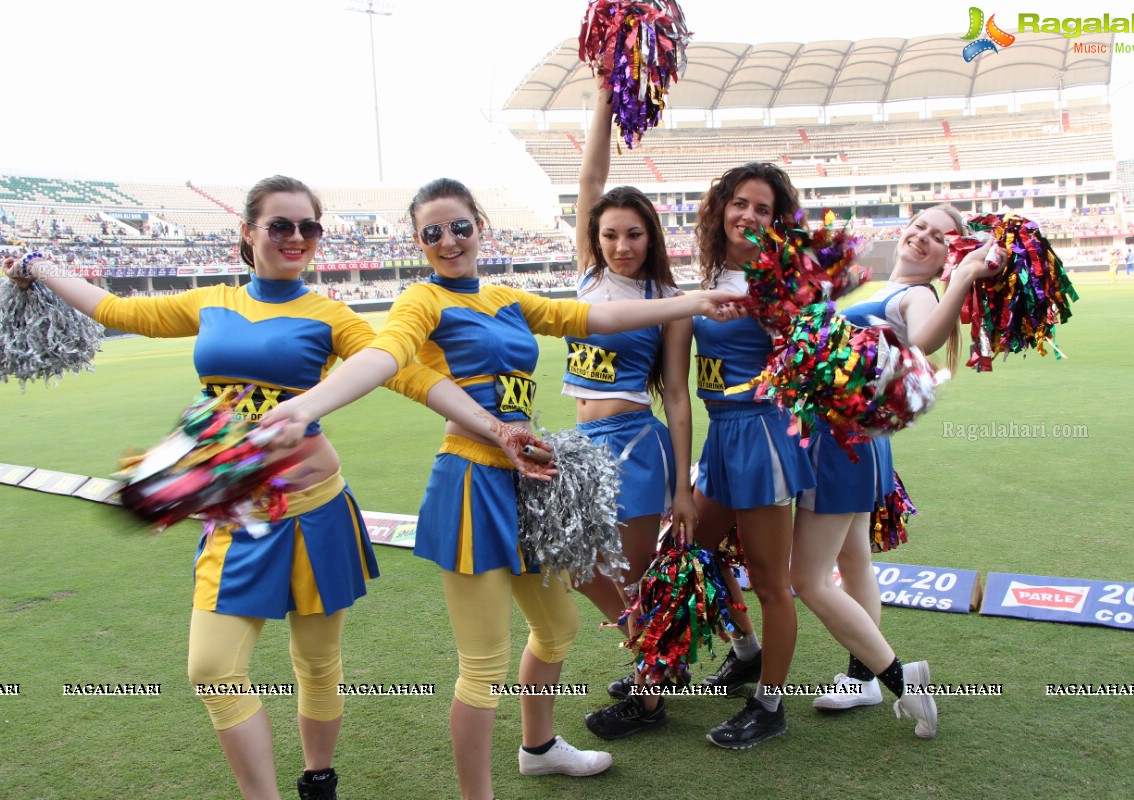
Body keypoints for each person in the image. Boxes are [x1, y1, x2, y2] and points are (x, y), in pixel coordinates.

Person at [2, 175, 547, 800]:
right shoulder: (212, 301)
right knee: (212, 670)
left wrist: (496, 429)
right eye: (280, 226)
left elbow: (408, 375)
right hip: (238, 516)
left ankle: (319, 780)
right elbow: (112, 309)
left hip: (317, 511)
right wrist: (39, 266)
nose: (295, 238)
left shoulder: (331, 314)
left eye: (308, 228)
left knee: (316, 666)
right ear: (248, 232)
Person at [259, 177, 743, 800]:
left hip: (530, 482)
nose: (448, 240)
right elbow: (385, 358)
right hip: (471, 486)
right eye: (432, 232)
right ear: (418, 242)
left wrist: (692, 302)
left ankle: (537, 747)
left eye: (460, 226)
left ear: (480, 227)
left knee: (557, 629)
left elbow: (598, 315)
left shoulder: (508, 298)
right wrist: (307, 406)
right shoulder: (421, 301)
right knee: (483, 665)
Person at [795, 204, 1003, 737]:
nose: (922, 239)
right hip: (854, 442)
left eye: (938, 239)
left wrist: (963, 275)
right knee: (854, 560)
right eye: (919, 228)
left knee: (809, 579)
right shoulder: (882, 287)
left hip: (842, 446)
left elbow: (923, 339)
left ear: (945, 258)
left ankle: (901, 680)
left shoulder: (920, 294)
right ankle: (860, 679)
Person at [564, 81, 698, 739]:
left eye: (634, 234)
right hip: (578, 443)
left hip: (632, 447)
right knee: (575, 564)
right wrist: (601, 95)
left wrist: (680, 486)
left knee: (627, 579)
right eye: (611, 233)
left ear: (651, 237)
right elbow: (591, 173)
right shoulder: (588, 271)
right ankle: (655, 656)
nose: (621, 244)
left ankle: (649, 694)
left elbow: (675, 395)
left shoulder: (666, 298)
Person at [687, 163, 817, 749]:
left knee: (770, 581)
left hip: (760, 435)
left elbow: (810, 350)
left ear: (777, 221)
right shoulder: (710, 271)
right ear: (722, 208)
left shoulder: (781, 281)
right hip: (719, 434)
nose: (749, 215)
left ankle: (770, 705)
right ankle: (745, 653)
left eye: (763, 209)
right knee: (694, 553)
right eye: (740, 203)